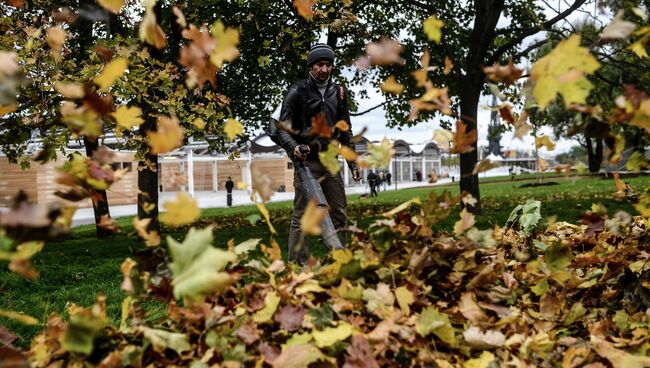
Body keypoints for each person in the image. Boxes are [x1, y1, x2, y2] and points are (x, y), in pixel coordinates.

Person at [267, 43, 361, 264]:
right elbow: (281, 128)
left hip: (330, 161)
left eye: (328, 65)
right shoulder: (297, 90)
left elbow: (345, 129)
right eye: (320, 64)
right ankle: (297, 264)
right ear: (311, 66)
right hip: (306, 163)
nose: (324, 69)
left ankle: (339, 261)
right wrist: (294, 148)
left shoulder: (338, 93)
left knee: (339, 211)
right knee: (303, 215)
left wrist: (353, 163)